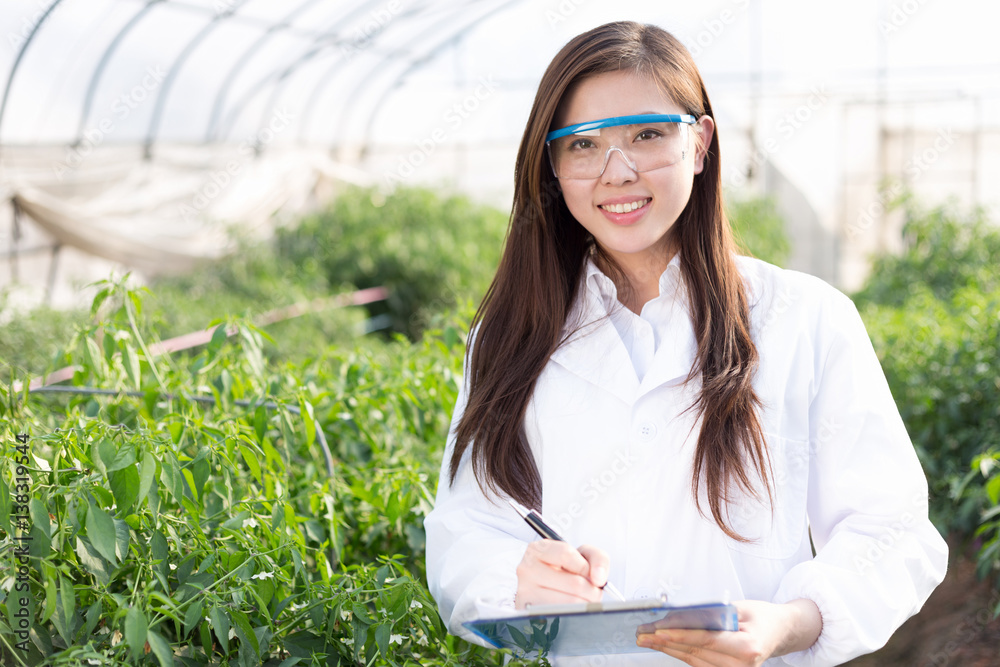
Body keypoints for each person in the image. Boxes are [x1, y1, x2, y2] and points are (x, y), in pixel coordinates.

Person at [424, 20, 948, 667]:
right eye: (581, 144)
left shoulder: (805, 318)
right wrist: (515, 578)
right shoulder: (511, 337)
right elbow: (465, 529)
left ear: (699, 143)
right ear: (553, 168)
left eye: (645, 134)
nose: (616, 171)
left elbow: (891, 528)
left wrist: (790, 621)